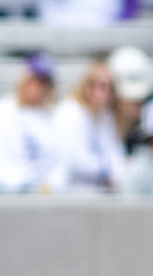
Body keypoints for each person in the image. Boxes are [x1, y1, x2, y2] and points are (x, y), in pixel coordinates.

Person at [0, 55, 57, 192]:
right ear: (23, 79)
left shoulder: (48, 117)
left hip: (33, 193)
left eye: (44, 82)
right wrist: (20, 185)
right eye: (34, 80)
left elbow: (52, 161)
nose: (38, 87)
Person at [44, 59, 126, 192]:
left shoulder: (105, 116)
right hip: (68, 189)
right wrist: (106, 171)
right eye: (102, 87)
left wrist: (119, 175)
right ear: (88, 87)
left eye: (111, 88)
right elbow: (75, 161)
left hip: (96, 189)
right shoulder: (69, 113)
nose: (107, 94)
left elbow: (115, 154)